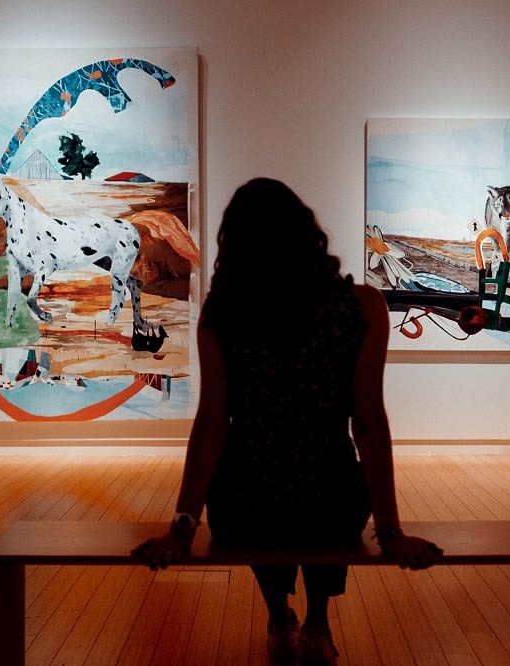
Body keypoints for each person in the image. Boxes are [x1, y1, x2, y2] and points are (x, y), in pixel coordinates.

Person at [133, 178, 442, 665]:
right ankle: (317, 621)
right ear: (307, 233)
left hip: (246, 502)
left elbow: (213, 425)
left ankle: (279, 616)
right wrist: (390, 531)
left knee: (250, 486)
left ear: (233, 246)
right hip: (332, 501)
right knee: (330, 485)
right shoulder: (361, 307)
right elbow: (368, 424)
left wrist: (183, 527)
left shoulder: (224, 314)